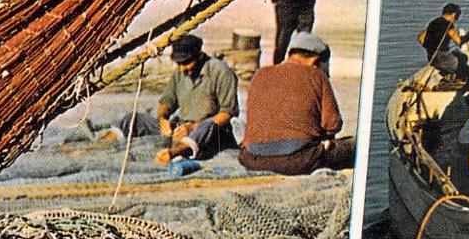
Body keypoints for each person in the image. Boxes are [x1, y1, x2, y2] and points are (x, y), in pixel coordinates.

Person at [238, 31, 355, 175]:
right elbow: (332, 124)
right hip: (298, 160)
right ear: (315, 61)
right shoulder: (317, 75)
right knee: (354, 146)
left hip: (253, 160)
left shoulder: (259, 74)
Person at [152, 34, 240, 164]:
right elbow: (167, 102)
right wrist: (162, 120)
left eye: (186, 62)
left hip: (213, 134)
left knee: (207, 125)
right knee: (136, 120)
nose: (182, 68)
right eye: (179, 63)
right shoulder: (180, 73)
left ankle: (172, 153)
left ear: (199, 56)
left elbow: (227, 113)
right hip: (183, 129)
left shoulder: (220, 71)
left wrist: (193, 127)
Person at [419, 2, 469, 80]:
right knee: (467, 70)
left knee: (455, 55)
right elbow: (459, 41)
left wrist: (431, 48)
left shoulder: (433, 22)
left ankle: (448, 75)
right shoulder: (448, 24)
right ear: (453, 14)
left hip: (431, 57)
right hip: (443, 58)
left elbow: (421, 39)